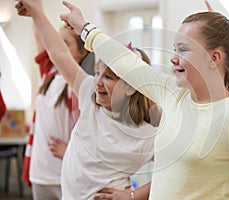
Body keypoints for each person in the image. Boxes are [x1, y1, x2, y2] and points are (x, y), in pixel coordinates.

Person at [16, 1, 229, 199]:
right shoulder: (174, 96)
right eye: (174, 48)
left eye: (184, 49)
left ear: (214, 58)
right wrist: (85, 29)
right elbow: (127, 63)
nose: (173, 57)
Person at [16, 1, 161, 199]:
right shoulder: (90, 98)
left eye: (108, 77)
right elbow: (58, 54)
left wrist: (133, 195)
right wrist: (37, 14)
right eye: (97, 73)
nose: (97, 82)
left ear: (130, 87)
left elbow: (179, 170)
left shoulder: (148, 135)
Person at [19, 0, 95, 199]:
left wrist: (69, 150)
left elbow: (94, 135)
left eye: (66, 43)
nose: (57, 47)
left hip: (66, 173)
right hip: (40, 172)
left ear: (82, 52)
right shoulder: (49, 74)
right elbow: (39, 36)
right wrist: (35, 8)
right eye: (56, 41)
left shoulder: (83, 83)